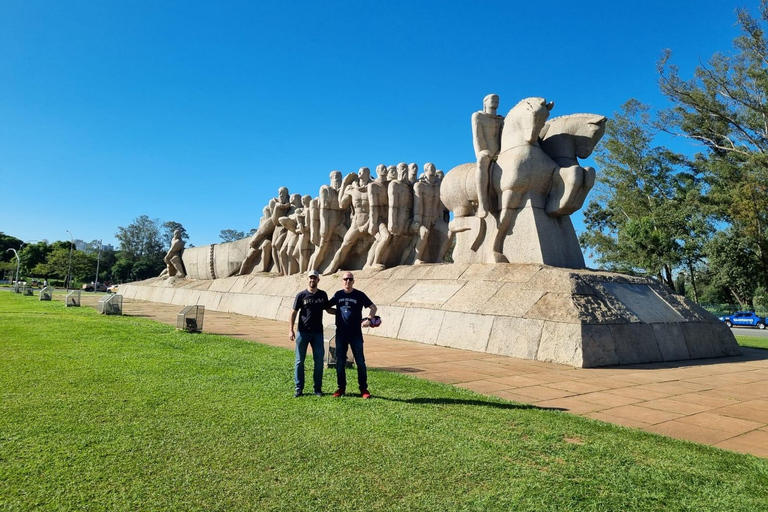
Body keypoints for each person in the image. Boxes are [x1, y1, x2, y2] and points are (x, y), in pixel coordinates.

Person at [328, 271, 377, 398]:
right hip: (341, 335)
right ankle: (341, 388)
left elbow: (373, 307)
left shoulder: (359, 295)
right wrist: (338, 312)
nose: (347, 281)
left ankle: (363, 389)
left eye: (350, 279)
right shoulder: (338, 295)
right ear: (342, 281)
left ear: (353, 281)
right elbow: (327, 308)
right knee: (340, 362)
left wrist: (369, 319)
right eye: (345, 279)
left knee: (360, 362)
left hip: (355, 335)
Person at [289, 270, 331, 397]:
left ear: (318, 280)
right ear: (307, 279)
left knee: (318, 361)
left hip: (318, 333)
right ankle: (298, 388)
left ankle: (317, 388)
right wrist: (290, 330)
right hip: (303, 333)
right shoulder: (301, 295)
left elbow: (328, 309)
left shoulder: (323, 295)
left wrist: (342, 310)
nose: (312, 280)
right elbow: (293, 312)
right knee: (299, 361)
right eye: (310, 278)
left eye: (315, 278)